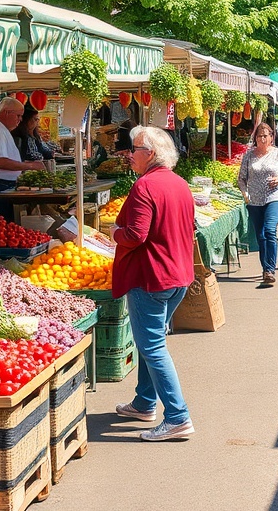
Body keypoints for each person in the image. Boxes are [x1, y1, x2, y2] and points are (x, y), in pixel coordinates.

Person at [112, 125, 197, 441]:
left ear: (150, 154)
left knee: (152, 346)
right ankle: (145, 402)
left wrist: (114, 234)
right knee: (153, 342)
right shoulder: (178, 183)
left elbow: (135, 234)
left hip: (151, 277)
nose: (129, 154)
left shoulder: (145, 186)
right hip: (178, 276)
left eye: (134, 149)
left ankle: (177, 416)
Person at [237, 123, 278, 285]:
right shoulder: (249, 156)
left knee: (270, 230)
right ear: (255, 138)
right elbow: (241, 178)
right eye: (259, 136)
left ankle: (270, 269)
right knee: (260, 236)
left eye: (265, 136)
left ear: (271, 137)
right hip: (254, 201)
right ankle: (265, 268)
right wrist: (245, 193)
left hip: (274, 197)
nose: (262, 139)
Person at [0, 97, 48, 220]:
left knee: (2, 225)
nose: (20, 120)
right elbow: (1, 162)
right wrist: (30, 166)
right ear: (7, 112)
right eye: (18, 116)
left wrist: (24, 164)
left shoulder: (1, 129)